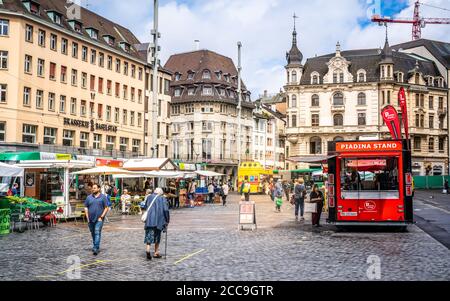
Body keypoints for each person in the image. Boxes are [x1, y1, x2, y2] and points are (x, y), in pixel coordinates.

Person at [143, 188, 170, 260]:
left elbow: (145, 207)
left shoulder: (149, 197)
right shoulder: (162, 199)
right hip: (158, 220)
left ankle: (148, 250)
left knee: (149, 235)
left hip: (149, 220)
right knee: (157, 236)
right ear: (160, 193)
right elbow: (166, 210)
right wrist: (167, 220)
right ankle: (156, 252)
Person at [84, 183, 109, 255]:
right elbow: (86, 207)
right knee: (93, 233)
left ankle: (95, 247)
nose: (93, 189)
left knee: (97, 231)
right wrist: (87, 217)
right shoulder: (89, 197)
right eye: (92, 188)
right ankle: (96, 245)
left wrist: (101, 216)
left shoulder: (103, 197)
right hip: (90, 219)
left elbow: (106, 208)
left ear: (99, 189)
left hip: (99, 218)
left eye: (94, 188)